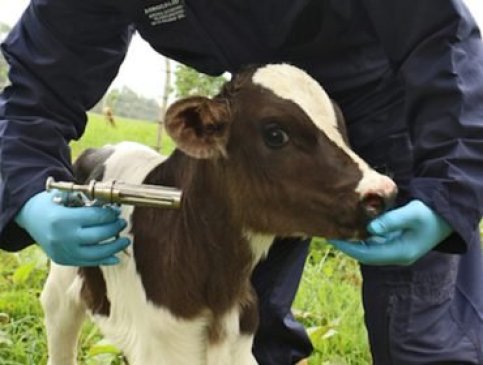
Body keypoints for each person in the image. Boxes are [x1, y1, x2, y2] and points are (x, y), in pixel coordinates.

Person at [1, 0, 483, 364]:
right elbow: (36, 91)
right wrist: (27, 196)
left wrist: (449, 191)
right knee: (241, 324)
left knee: (421, 334)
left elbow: (441, 37)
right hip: (262, 125)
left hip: (395, 100)